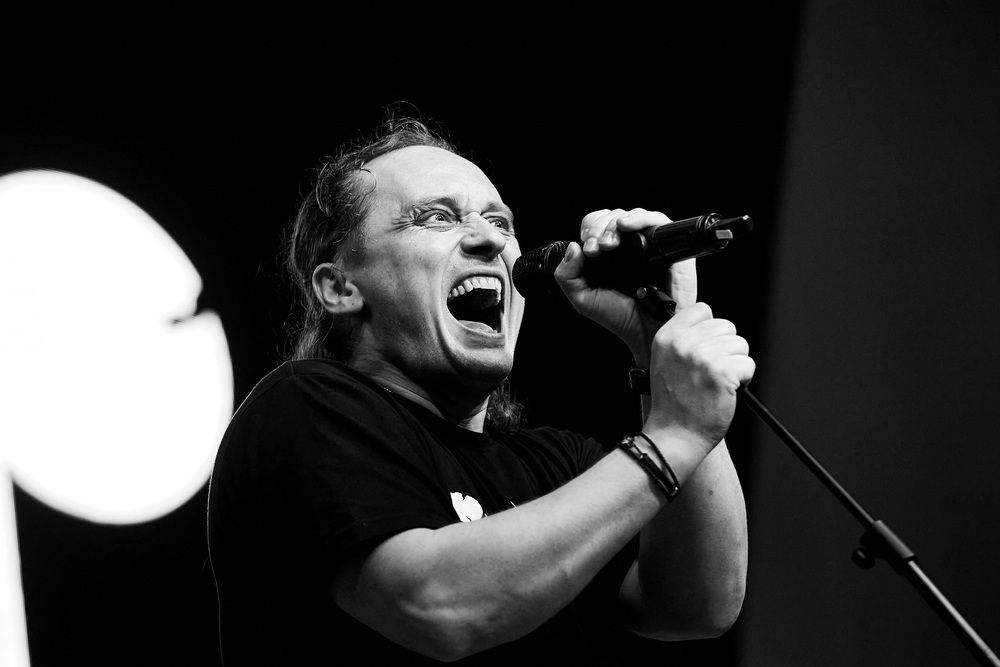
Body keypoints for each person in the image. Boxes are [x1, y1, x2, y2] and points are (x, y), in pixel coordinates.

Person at [207, 115, 755, 665]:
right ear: (339, 287)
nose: (491, 238)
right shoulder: (301, 408)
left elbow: (696, 607)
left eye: (500, 222)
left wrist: (661, 340)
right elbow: (434, 605)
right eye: (436, 217)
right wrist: (673, 436)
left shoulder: (558, 464)